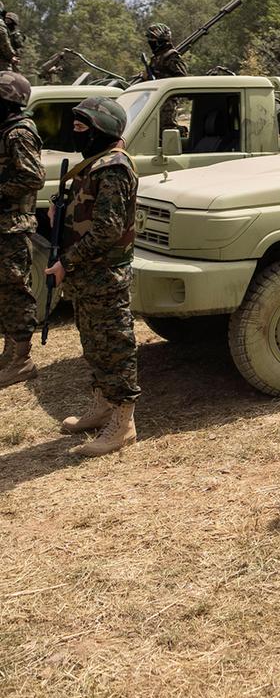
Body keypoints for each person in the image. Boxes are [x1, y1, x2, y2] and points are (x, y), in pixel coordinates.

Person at [51, 97, 140, 457]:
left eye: (82, 128)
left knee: (115, 346)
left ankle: (124, 423)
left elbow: (107, 230)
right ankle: (103, 405)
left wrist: (66, 262)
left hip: (105, 274)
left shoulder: (113, 168)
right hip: (90, 275)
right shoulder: (94, 165)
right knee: (94, 343)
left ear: (101, 129)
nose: (77, 135)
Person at [0, 72, 45, 388]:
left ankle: (23, 360)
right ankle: (10, 353)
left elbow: (33, 177)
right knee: (4, 292)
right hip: (4, 224)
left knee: (15, 290)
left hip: (14, 226)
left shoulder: (19, 134)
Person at [146, 23, 188, 133]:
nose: (151, 43)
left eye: (153, 40)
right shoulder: (156, 58)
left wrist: (161, 79)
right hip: (156, 99)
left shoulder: (171, 56)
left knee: (168, 129)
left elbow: (182, 78)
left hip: (168, 100)